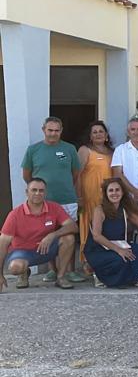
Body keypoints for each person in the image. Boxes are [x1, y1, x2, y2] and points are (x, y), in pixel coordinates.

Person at [22, 117, 84, 281]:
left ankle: (70, 270)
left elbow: (75, 174)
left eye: (56, 130)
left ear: (61, 131)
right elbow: (27, 175)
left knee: (69, 234)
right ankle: (52, 270)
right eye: (50, 130)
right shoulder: (33, 150)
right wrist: (37, 193)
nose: (53, 134)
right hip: (44, 201)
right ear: (44, 130)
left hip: (67, 199)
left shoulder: (69, 149)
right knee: (48, 233)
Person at [0, 178, 78, 290]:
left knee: (69, 238)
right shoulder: (15, 214)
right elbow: (2, 244)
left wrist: (53, 235)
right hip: (23, 252)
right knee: (15, 268)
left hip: (46, 249)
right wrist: (0, 274)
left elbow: (73, 226)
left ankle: (61, 277)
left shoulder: (54, 207)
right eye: (34, 190)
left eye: (41, 190)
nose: (37, 193)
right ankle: (24, 272)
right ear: (27, 192)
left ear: (45, 193)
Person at [81, 178, 138, 288]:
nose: (114, 193)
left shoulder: (125, 209)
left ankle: (133, 278)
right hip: (98, 249)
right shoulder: (99, 210)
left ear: (122, 192)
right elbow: (96, 236)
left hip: (119, 244)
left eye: (117, 190)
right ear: (106, 193)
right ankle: (101, 276)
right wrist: (119, 250)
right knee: (120, 259)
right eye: (111, 190)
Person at [77, 121, 114, 267]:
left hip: (108, 198)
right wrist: (79, 196)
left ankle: (102, 261)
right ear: (90, 136)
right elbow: (77, 175)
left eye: (101, 131)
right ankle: (87, 261)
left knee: (105, 229)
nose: (98, 134)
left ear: (106, 135)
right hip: (89, 196)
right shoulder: (85, 150)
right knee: (88, 228)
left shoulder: (113, 152)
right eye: (95, 132)